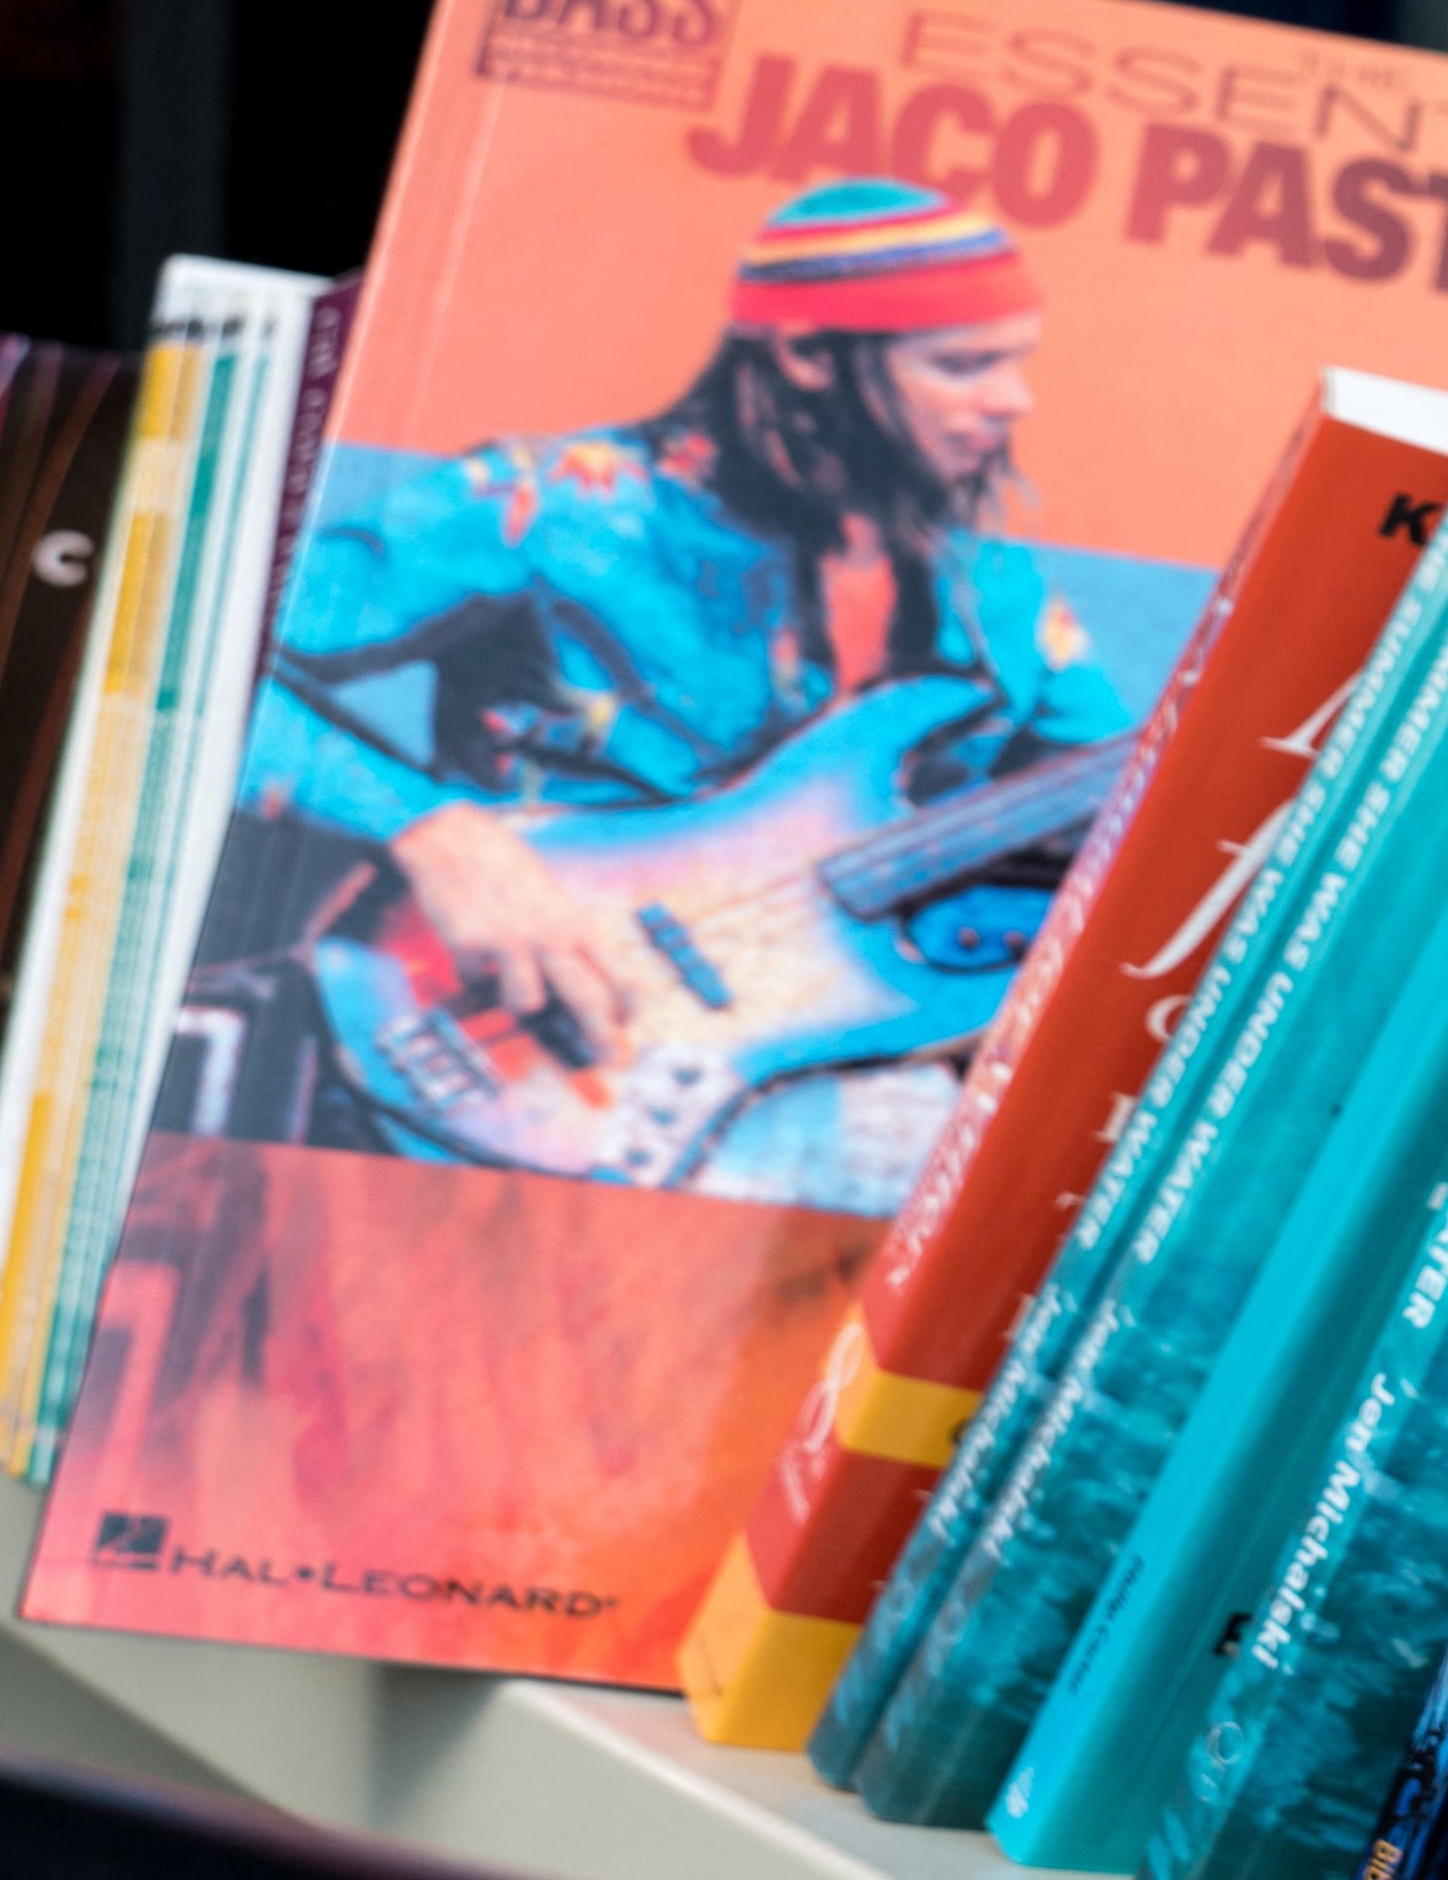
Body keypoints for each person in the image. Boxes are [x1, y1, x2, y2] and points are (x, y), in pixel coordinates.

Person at [214, 178, 1134, 1205]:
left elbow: (1131, 814)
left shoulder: (997, 592)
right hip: (504, 1056)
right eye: (965, 364)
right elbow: (193, 660)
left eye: (1016, 361)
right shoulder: (550, 504)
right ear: (805, 355)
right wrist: (435, 833)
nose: (1014, 401)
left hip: (827, 1096)